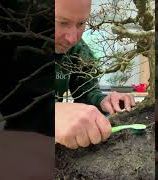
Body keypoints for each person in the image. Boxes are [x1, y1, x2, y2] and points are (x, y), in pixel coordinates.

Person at [54, 0, 136, 149]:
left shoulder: (77, 50)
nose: (72, 38)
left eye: (81, 24)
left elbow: (86, 91)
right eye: (62, 23)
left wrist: (103, 100)